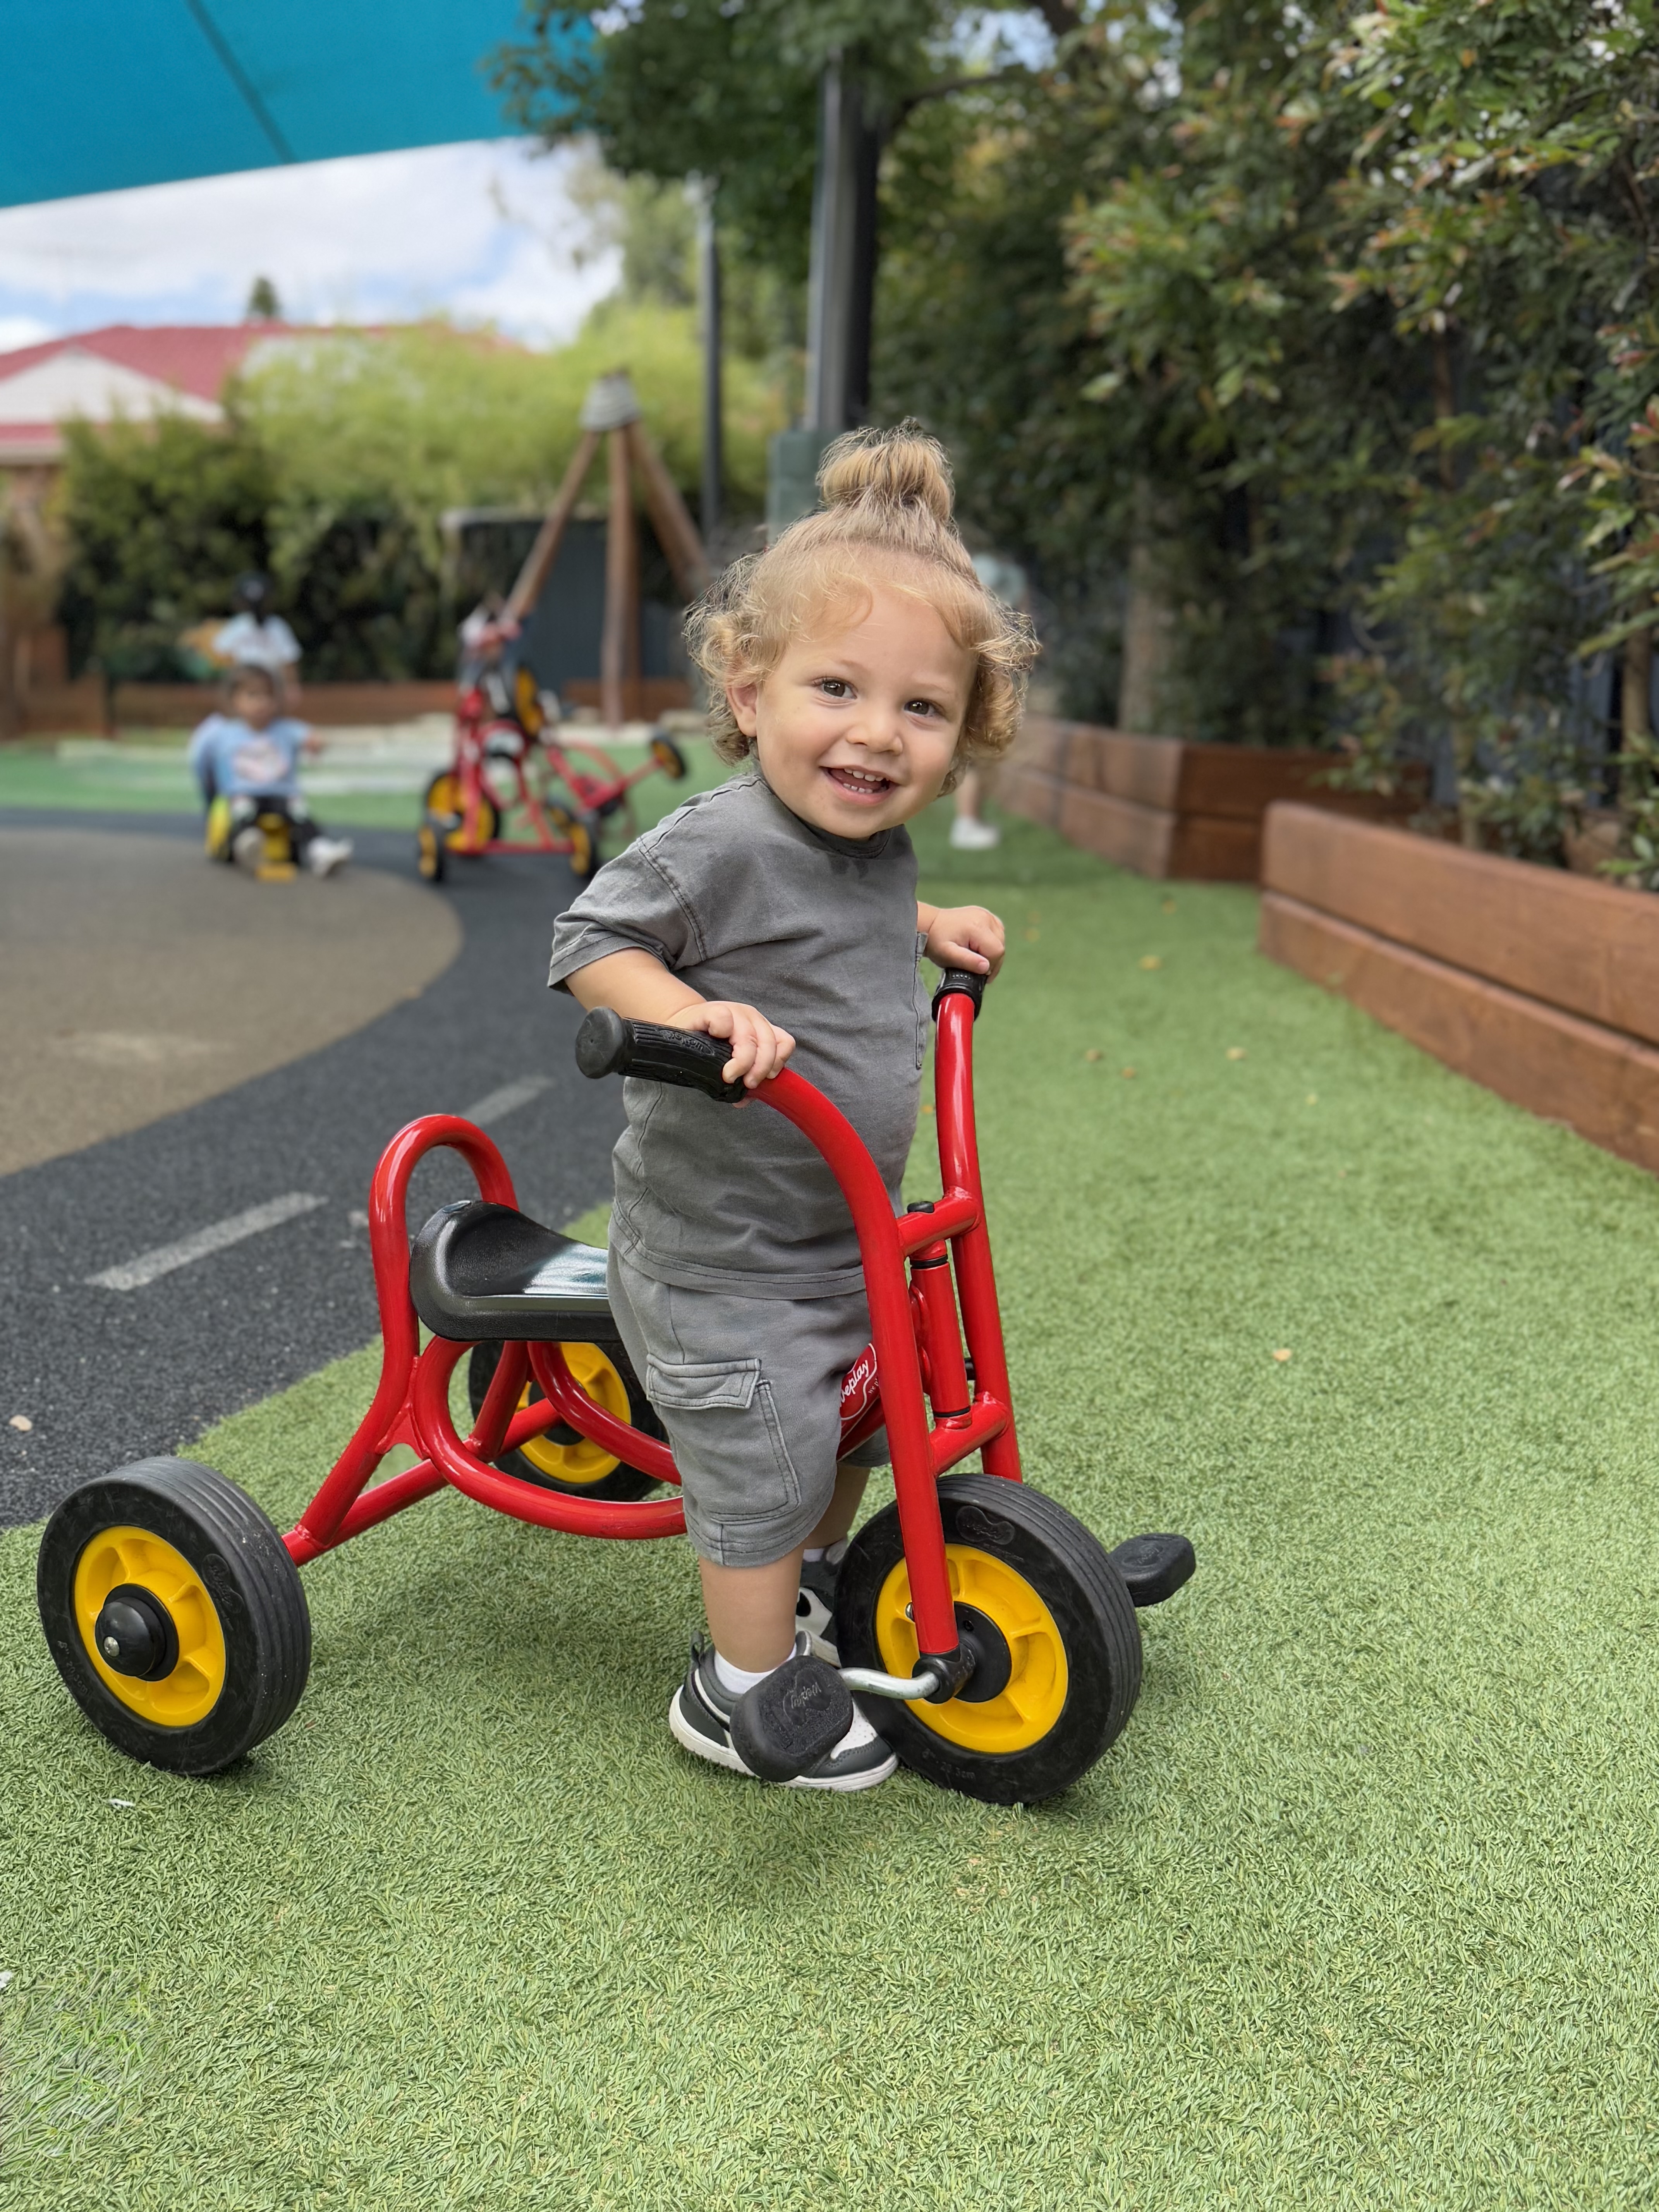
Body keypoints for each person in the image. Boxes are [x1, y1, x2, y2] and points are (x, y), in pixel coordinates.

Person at [546, 422, 1038, 1791]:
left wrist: (927, 921)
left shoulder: (866, 843)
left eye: (921, 709)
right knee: (770, 1436)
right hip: (720, 1260)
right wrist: (687, 1012)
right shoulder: (718, 840)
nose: (875, 735)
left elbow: (842, 923)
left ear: (963, 729)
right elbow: (588, 939)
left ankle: (812, 1587)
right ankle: (740, 1686)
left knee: (868, 1413)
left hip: (840, 1236)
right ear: (751, 691)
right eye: (835, 687)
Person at [188, 664, 354, 878]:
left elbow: (312, 738)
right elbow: (202, 760)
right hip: (243, 792)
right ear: (235, 700)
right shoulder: (223, 733)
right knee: (242, 810)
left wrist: (316, 743)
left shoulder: (286, 729)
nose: (262, 703)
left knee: (299, 812)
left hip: (281, 794)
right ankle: (246, 842)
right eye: (253, 695)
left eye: (268, 696)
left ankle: (320, 849)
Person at [950, 551, 1031, 851]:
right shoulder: (977, 617)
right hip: (976, 692)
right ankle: (967, 824)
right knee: (974, 761)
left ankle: (971, 821)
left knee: (980, 762)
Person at [213, 573, 302, 708]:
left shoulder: (277, 626)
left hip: (272, 687)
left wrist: (291, 686)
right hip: (243, 686)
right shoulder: (237, 626)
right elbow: (222, 655)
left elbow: (288, 660)